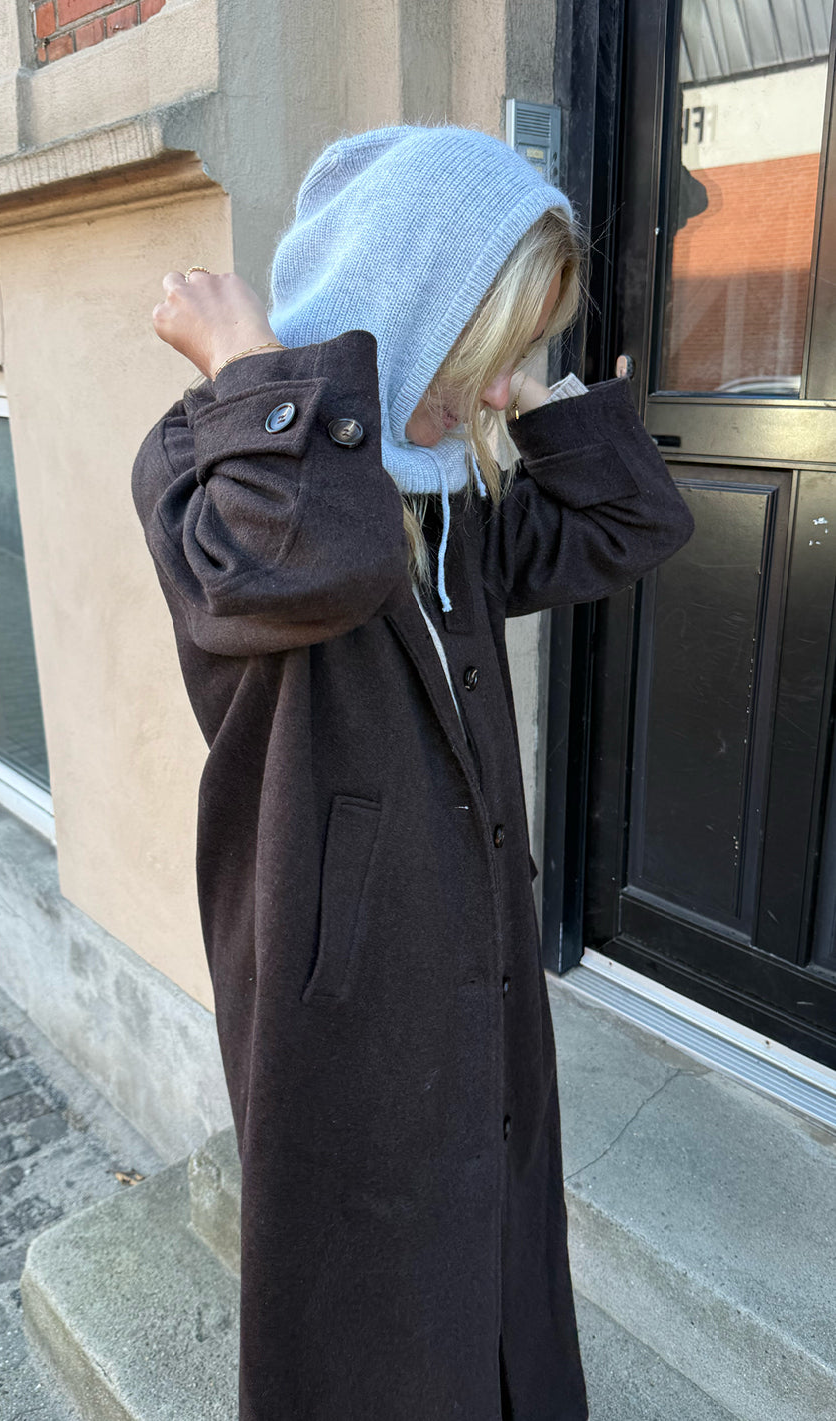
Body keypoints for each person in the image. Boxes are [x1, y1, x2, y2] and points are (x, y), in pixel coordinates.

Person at [132, 123, 694, 1421]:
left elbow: (630, 526)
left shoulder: (449, 504)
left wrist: (537, 401)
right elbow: (315, 568)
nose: (495, 396)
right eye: (485, 352)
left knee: (493, 1263)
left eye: (512, 360)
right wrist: (255, 367)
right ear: (400, 302)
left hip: (470, 955)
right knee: (372, 1316)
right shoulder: (215, 470)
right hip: (346, 1002)